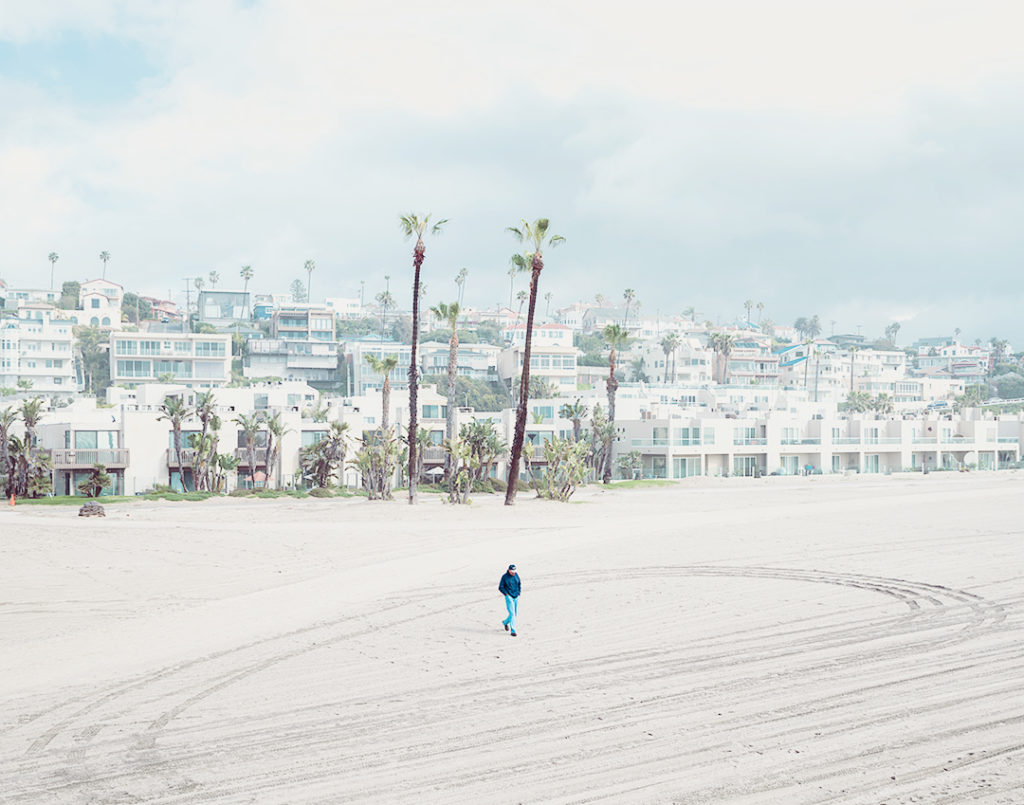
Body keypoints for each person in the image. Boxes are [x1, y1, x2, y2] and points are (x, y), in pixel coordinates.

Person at [498, 564, 521, 637]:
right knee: (512, 613)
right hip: (509, 596)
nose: (514, 573)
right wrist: (506, 594)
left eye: (514, 571)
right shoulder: (504, 577)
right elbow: (500, 587)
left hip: (516, 596)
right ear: (509, 570)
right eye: (512, 571)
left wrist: (518, 592)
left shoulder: (516, 575)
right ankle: (513, 630)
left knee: (514, 613)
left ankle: (505, 622)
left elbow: (519, 584)